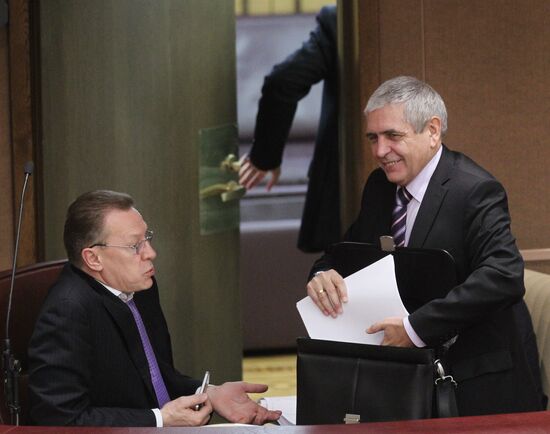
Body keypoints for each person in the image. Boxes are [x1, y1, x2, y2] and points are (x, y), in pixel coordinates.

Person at [305, 76, 543, 415]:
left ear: (432, 131)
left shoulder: (474, 190)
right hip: (409, 378)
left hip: (482, 382)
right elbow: (348, 250)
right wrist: (324, 272)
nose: (379, 151)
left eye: (392, 136)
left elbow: (503, 274)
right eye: (373, 138)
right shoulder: (379, 186)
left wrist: (415, 329)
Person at [28, 190, 281, 427]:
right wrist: (159, 419)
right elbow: (58, 419)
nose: (151, 253)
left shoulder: (141, 288)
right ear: (93, 259)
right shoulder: (67, 311)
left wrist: (209, 394)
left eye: (147, 238)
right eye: (135, 246)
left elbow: (154, 378)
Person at [239, 5, 339, 253]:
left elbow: (283, 81)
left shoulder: (346, 20)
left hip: (349, 197)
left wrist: (264, 156)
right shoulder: (446, 19)